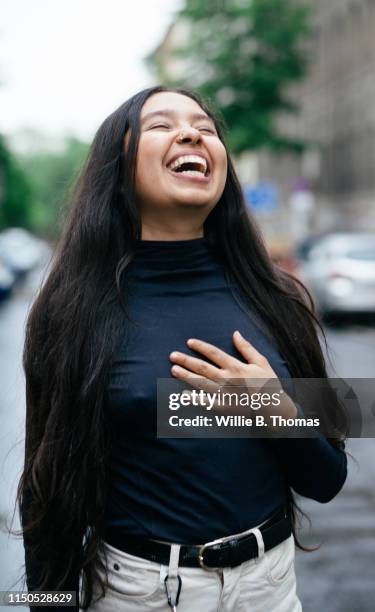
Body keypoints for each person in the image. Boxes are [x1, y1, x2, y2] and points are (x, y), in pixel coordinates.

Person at [16, 85, 348, 612]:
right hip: (138, 593)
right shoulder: (72, 310)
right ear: (118, 166)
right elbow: (47, 495)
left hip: (270, 588)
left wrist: (270, 406)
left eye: (206, 127)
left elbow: (329, 479)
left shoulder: (279, 298)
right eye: (161, 125)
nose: (192, 132)